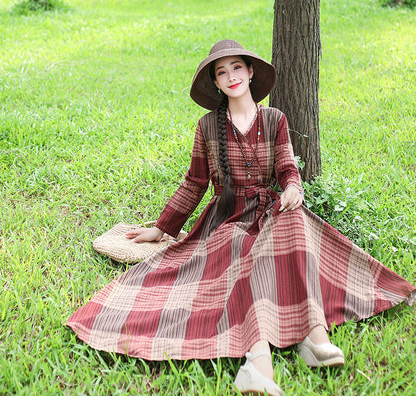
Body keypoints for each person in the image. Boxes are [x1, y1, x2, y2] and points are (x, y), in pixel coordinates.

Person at [67, 39, 415, 395]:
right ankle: (258, 362)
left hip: (269, 210)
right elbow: (195, 182)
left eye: (237, 67)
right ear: (216, 84)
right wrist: (162, 227)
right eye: (222, 72)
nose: (231, 76)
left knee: (293, 223)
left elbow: (287, 168)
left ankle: (315, 337)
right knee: (244, 252)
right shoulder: (206, 128)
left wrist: (294, 187)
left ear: (250, 72)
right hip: (227, 219)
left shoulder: (275, 118)